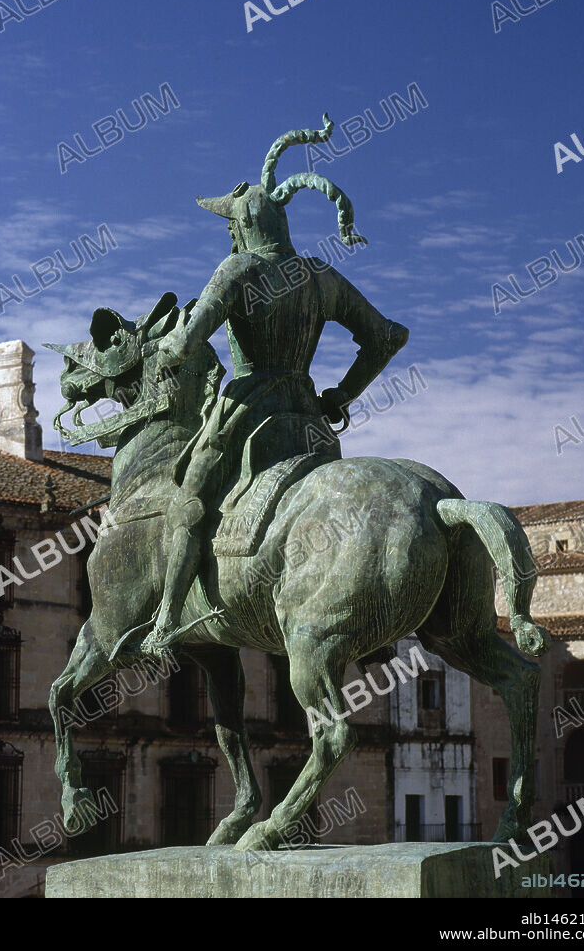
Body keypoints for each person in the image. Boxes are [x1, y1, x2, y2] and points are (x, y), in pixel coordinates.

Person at [136, 123, 409, 657]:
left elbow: (189, 343)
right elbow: (388, 337)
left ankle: (166, 618)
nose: (229, 237)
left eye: (229, 228)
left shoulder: (237, 269)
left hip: (247, 410)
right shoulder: (322, 275)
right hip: (308, 417)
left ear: (239, 226)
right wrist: (341, 396)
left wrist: (166, 348)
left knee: (189, 502)